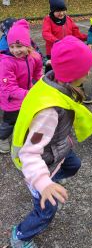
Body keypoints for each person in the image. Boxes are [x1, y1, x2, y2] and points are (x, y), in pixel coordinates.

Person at [10, 36, 92, 248]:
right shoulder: (49, 112)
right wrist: (43, 183)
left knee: (74, 164)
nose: (88, 74)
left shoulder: (53, 81)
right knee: (46, 211)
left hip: (57, 150)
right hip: (38, 162)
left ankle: (50, 180)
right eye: (85, 70)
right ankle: (20, 236)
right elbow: (30, 153)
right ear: (70, 74)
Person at [0, 20, 43, 154]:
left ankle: (26, 139)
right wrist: (28, 94)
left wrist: (42, 81)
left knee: (28, 119)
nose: (15, 50)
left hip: (27, 94)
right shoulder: (6, 62)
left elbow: (37, 71)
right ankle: (2, 138)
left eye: (19, 46)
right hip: (11, 99)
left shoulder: (33, 57)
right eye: (12, 46)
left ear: (27, 45)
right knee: (10, 122)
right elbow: (9, 88)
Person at [42, 0, 92, 104]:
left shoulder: (68, 19)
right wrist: (57, 41)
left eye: (63, 10)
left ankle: (78, 91)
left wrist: (88, 38)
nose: (61, 13)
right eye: (58, 11)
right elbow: (46, 33)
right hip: (54, 53)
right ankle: (50, 93)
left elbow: (75, 32)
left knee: (76, 72)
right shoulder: (48, 20)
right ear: (52, 11)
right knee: (52, 74)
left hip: (69, 53)